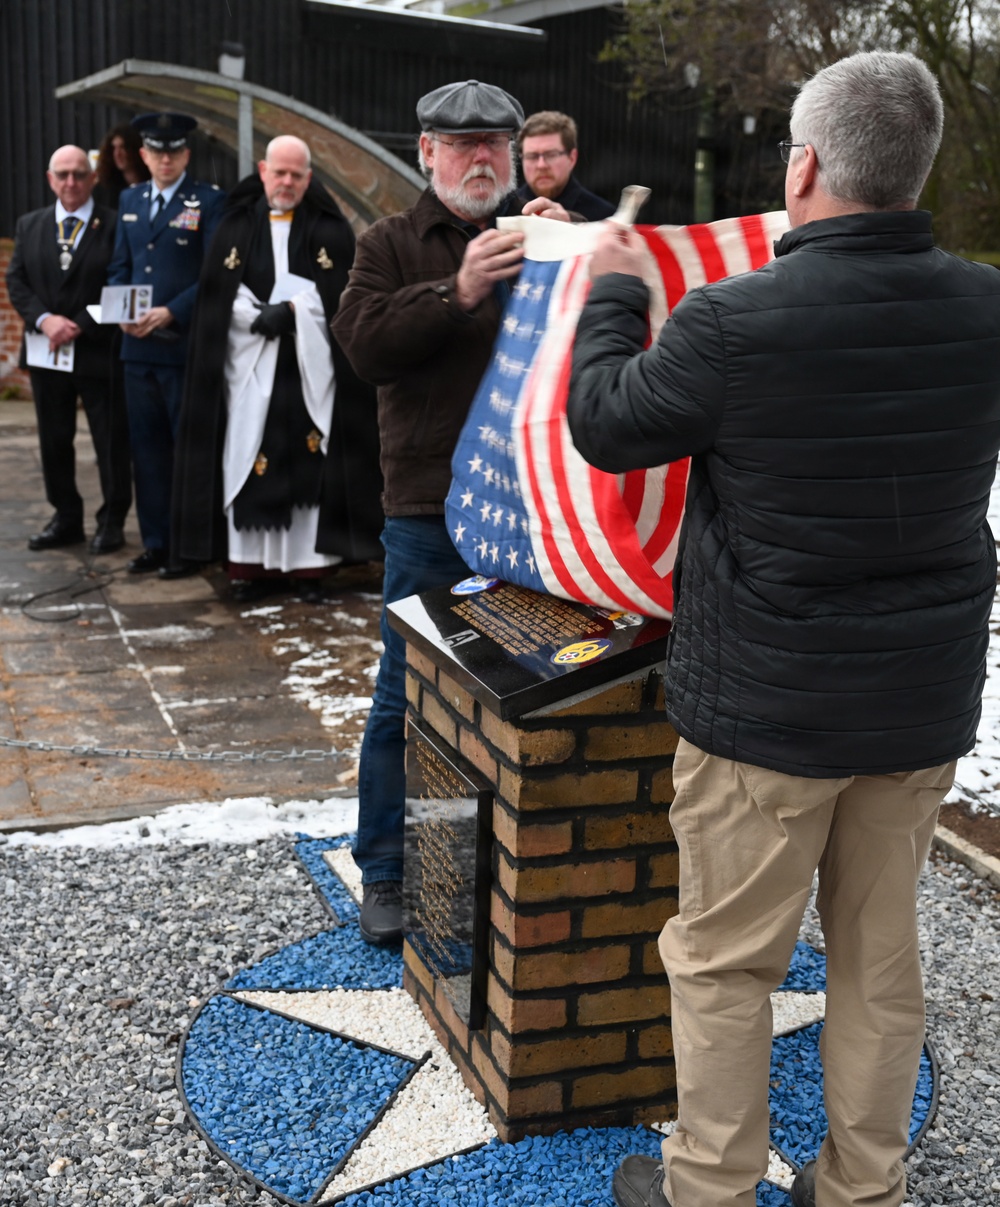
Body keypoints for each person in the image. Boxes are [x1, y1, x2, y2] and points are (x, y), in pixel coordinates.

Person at [566, 50, 1000, 1207]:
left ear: (803, 166)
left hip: (766, 712)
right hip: (914, 706)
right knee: (877, 963)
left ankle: (706, 1185)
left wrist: (612, 293)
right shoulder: (985, 307)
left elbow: (606, 426)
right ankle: (864, 1186)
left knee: (723, 963)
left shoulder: (733, 321)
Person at [332, 79, 571, 945]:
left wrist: (586, 260)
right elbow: (362, 346)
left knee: (530, 692)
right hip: (431, 511)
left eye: (495, 145)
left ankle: (508, 852)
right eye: (460, 144)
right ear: (425, 151)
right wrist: (457, 290)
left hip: (534, 512)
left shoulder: (545, 234)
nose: (480, 158)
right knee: (404, 690)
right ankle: (388, 870)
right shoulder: (389, 243)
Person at [171, 135, 383, 604]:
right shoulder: (233, 225)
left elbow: (343, 296)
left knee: (311, 457)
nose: (286, 182)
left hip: (308, 372)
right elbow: (217, 298)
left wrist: (294, 312)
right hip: (249, 368)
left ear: (308, 178)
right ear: (263, 170)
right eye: (279, 172)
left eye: (296, 174)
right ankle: (250, 569)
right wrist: (253, 315)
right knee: (249, 456)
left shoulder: (329, 230)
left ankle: (307, 571)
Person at [106, 111, 225, 579]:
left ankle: (188, 548)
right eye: (156, 151)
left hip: (183, 348)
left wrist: (172, 310)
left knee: (186, 453)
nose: (165, 159)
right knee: (147, 452)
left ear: (186, 154)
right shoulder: (130, 198)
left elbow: (214, 273)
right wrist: (121, 313)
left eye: (173, 151)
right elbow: (120, 267)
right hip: (137, 351)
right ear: (143, 155)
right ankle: (155, 543)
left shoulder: (207, 202)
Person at [6, 144, 132, 554]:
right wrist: (45, 320)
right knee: (54, 440)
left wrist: (81, 322)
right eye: (62, 174)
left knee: (109, 441)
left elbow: (120, 283)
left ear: (93, 177)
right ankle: (66, 518)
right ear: (50, 179)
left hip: (97, 350)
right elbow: (18, 281)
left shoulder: (114, 225)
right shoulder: (30, 224)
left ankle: (112, 520)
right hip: (47, 351)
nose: (71, 182)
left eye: (79, 173)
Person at [516, 110, 615, 222]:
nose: (541, 165)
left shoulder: (605, 217)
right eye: (532, 156)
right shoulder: (503, 211)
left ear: (572, 158)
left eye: (551, 155)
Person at [93, 123, 150, 210]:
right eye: (113, 148)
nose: (117, 154)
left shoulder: (153, 183)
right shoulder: (104, 189)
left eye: (123, 147)